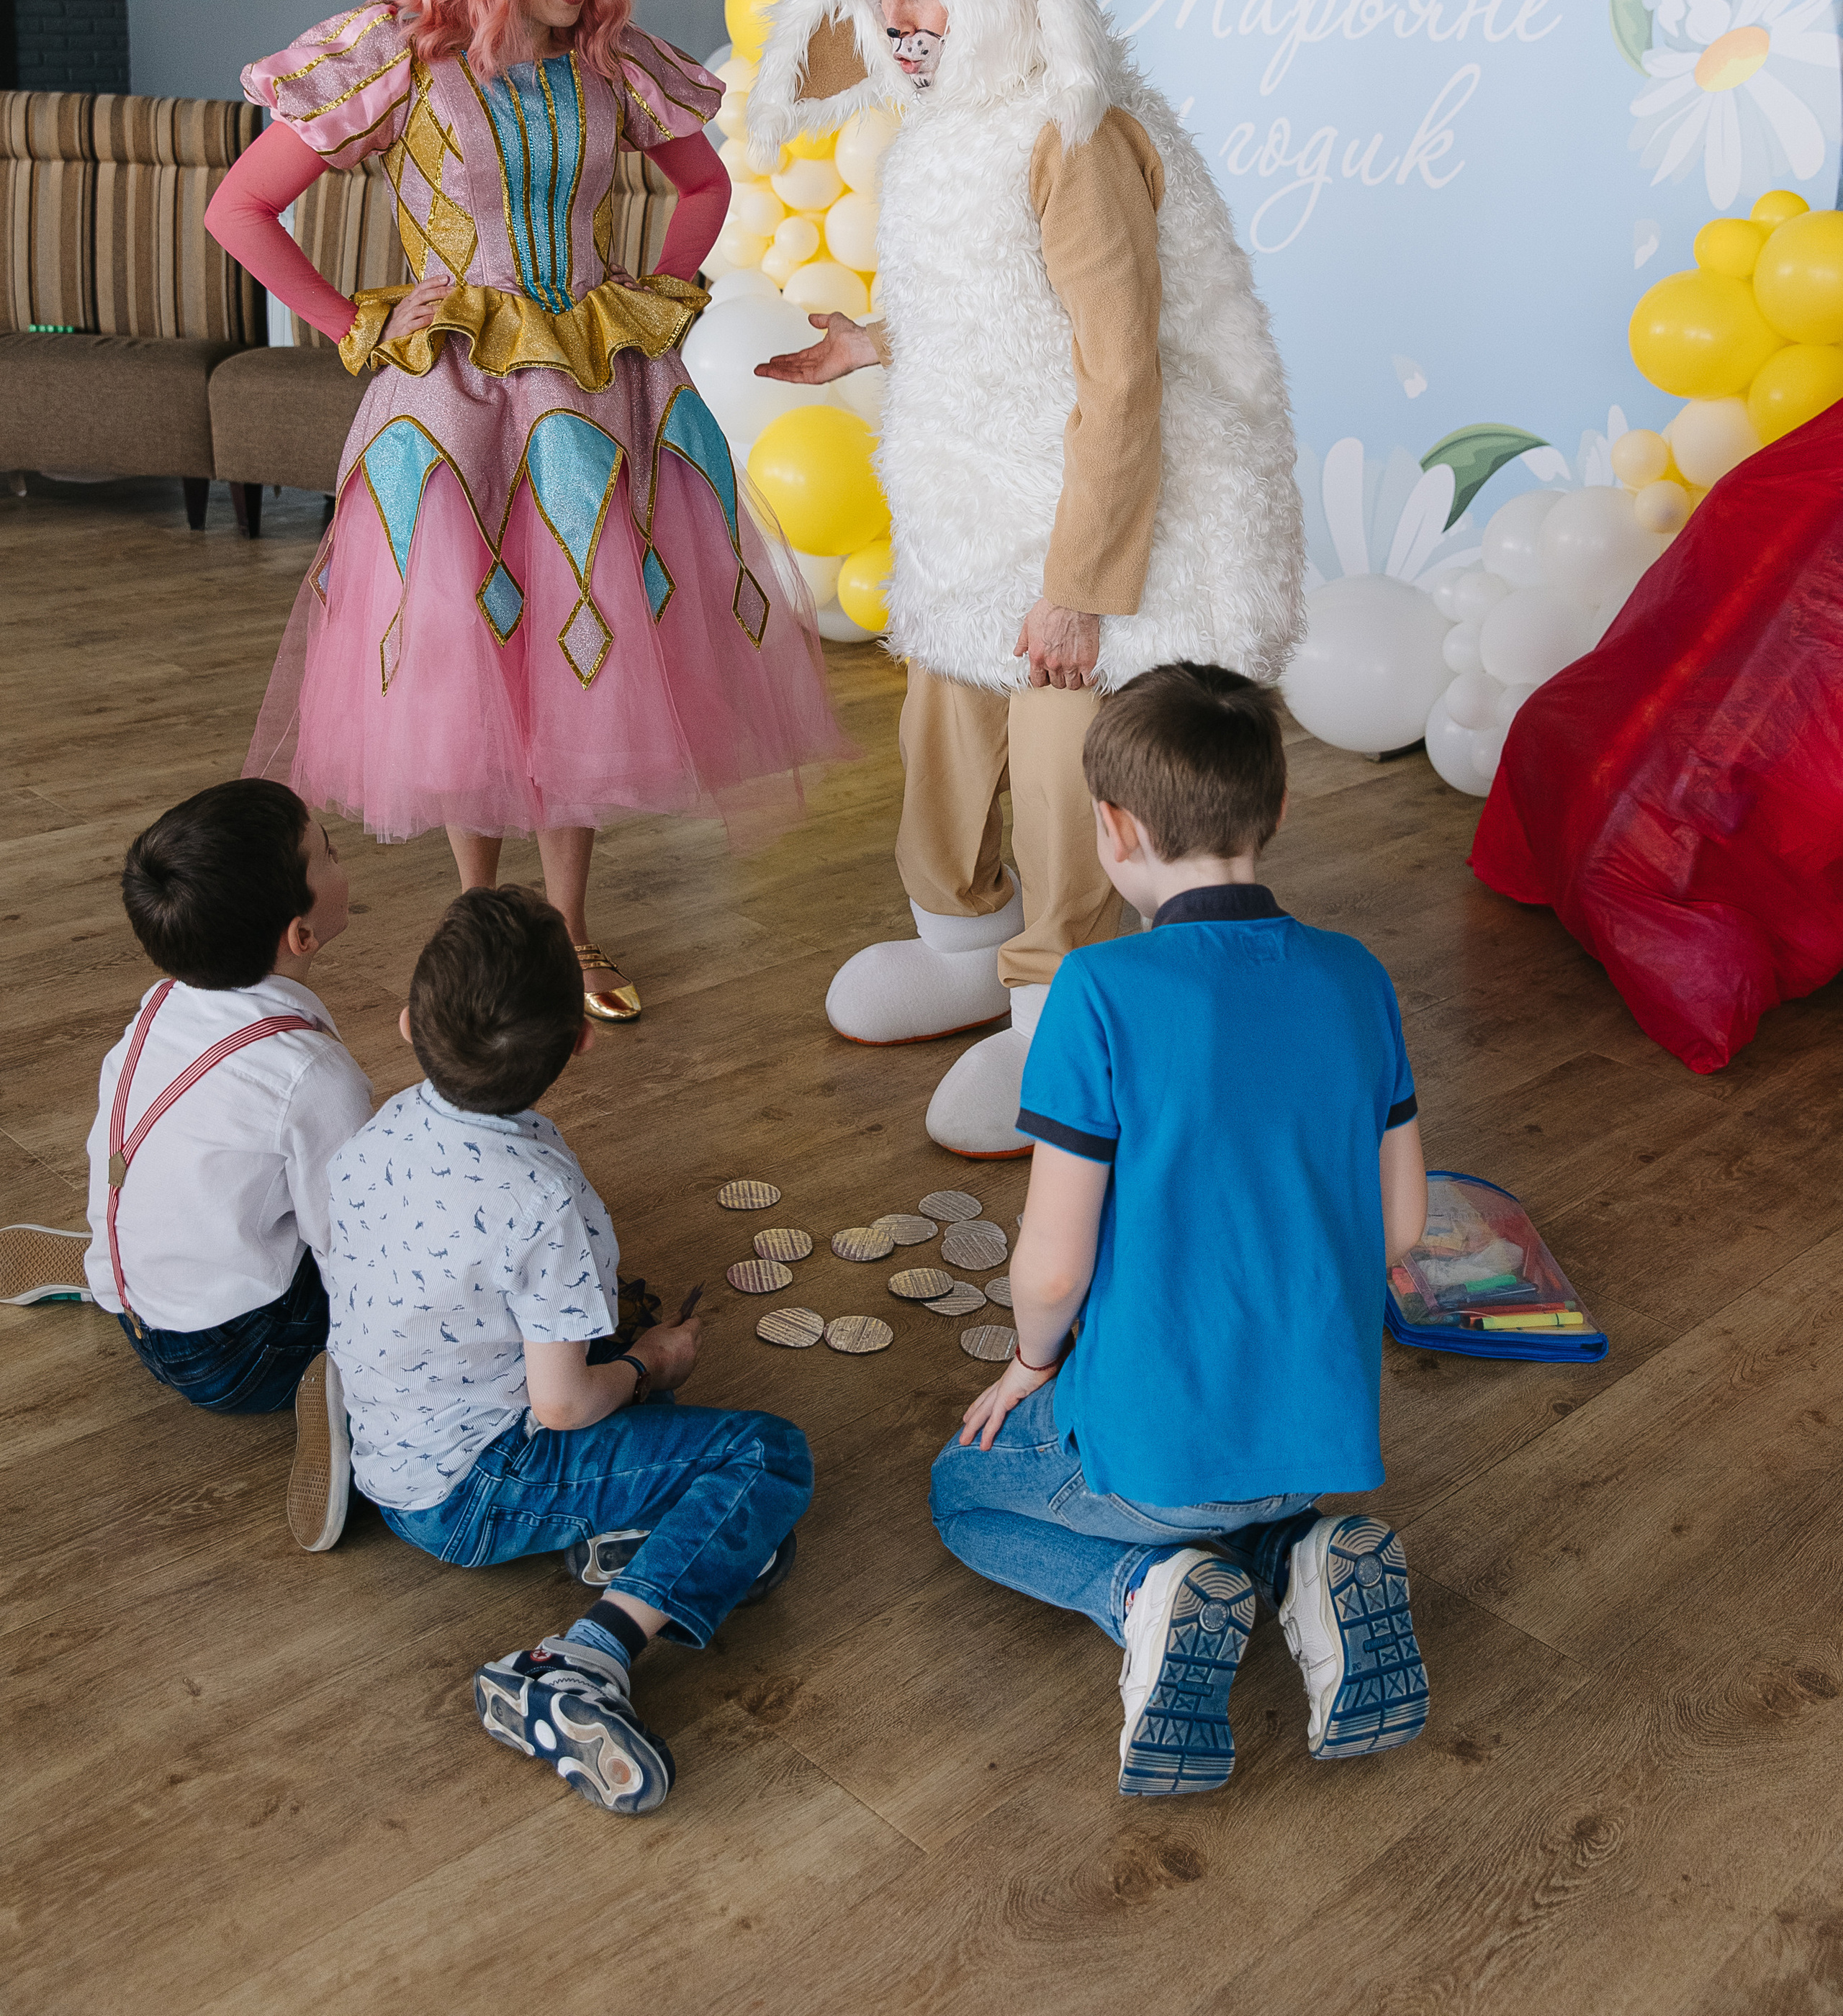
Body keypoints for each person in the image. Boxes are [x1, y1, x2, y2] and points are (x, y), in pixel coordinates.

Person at [206, 0, 847, 1025]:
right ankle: (474, 923)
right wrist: (353, 324)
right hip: (445, 408)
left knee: (578, 650)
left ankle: (565, 930)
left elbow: (704, 187)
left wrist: (657, 291)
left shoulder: (614, 61)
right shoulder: (398, 56)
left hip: (591, 400)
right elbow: (240, 210)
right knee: (463, 653)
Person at [749, 0, 1303, 1153]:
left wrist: (1078, 587)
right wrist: (868, 341)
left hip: (1089, 525)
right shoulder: (942, 138)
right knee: (945, 727)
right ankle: (961, 937)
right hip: (975, 502)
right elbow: (994, 322)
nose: (897, 26)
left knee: (1064, 764)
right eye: (879, 2)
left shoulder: (1075, 134)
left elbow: (1120, 369)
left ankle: (1049, 1009)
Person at [929, 664, 1430, 1798]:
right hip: (1316, 1449)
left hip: (1151, 1456)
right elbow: (1402, 1226)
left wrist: (1026, 1365)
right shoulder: (1359, 978)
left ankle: (1142, 1595)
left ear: (1112, 828)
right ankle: (1299, 1560)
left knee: (958, 1492)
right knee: (1253, 1508)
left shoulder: (1095, 992)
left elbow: (1053, 1267)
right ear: (1280, 810)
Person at [320, 884, 813, 1817]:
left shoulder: (376, 1133)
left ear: (405, 1024)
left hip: (390, 1432)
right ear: (583, 1041)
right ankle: (580, 1660)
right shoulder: (541, 1192)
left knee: (635, 1395)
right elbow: (561, 1408)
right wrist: (651, 1365)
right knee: (766, 1455)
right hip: (474, 1484)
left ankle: (623, 1538)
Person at [76, 779, 371, 1554]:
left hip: (138, 1310)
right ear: (300, 935)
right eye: (329, 851)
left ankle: (129, 1256)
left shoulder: (162, 1003)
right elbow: (353, 1243)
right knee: (424, 1242)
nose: (342, 854)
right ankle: (333, 1388)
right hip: (240, 1358)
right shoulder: (311, 1076)